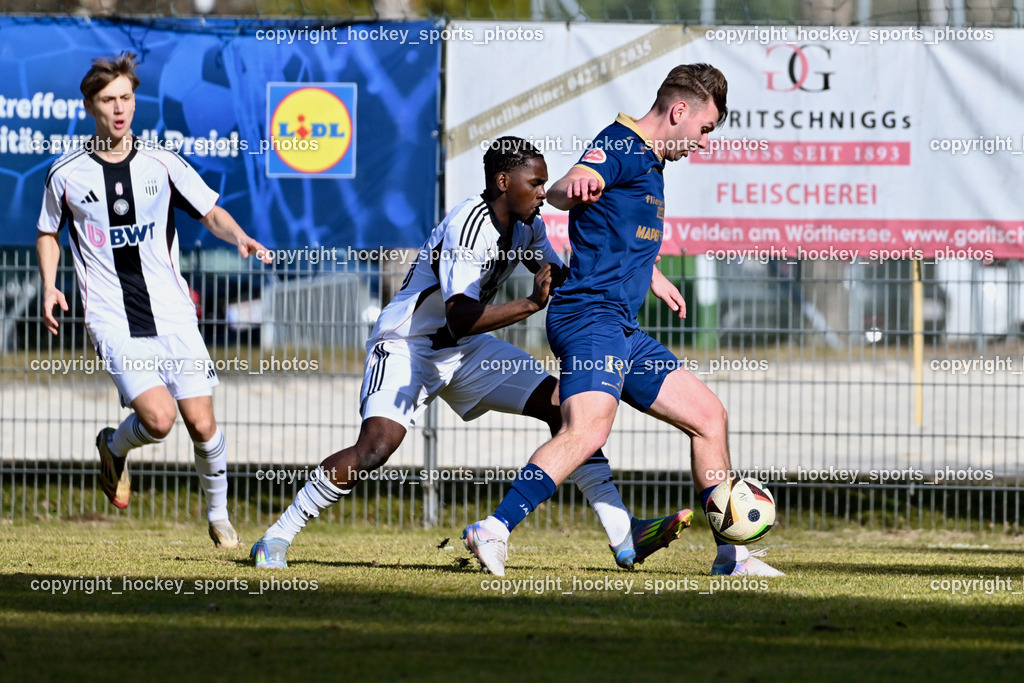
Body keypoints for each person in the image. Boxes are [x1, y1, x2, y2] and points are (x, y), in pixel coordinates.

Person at [250, 137, 691, 569]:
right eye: (535, 184)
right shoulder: (469, 224)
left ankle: (623, 532)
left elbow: (555, 273)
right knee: (376, 448)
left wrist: (641, 271)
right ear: (503, 182)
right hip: (408, 347)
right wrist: (531, 304)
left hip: (466, 351)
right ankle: (277, 536)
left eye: (545, 184)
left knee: (565, 410)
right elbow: (460, 314)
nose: (543, 193)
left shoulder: (528, 224)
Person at [463, 65, 784, 578]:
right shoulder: (622, 143)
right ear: (679, 112)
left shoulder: (652, 166)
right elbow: (568, 188)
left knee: (709, 417)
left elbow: (615, 232)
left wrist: (651, 273)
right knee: (586, 430)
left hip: (621, 325)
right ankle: (493, 529)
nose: (702, 143)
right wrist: (576, 185)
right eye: (704, 130)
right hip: (588, 317)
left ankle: (732, 557)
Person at [36, 52, 271, 548]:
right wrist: (50, 284)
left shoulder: (162, 163)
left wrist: (240, 238)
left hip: (172, 312)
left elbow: (210, 212)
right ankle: (114, 446)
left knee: (202, 423)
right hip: (112, 317)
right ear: (89, 106)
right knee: (160, 420)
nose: (118, 109)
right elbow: (47, 232)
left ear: (134, 100)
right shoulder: (67, 174)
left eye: (126, 98)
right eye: (107, 100)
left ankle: (219, 516)